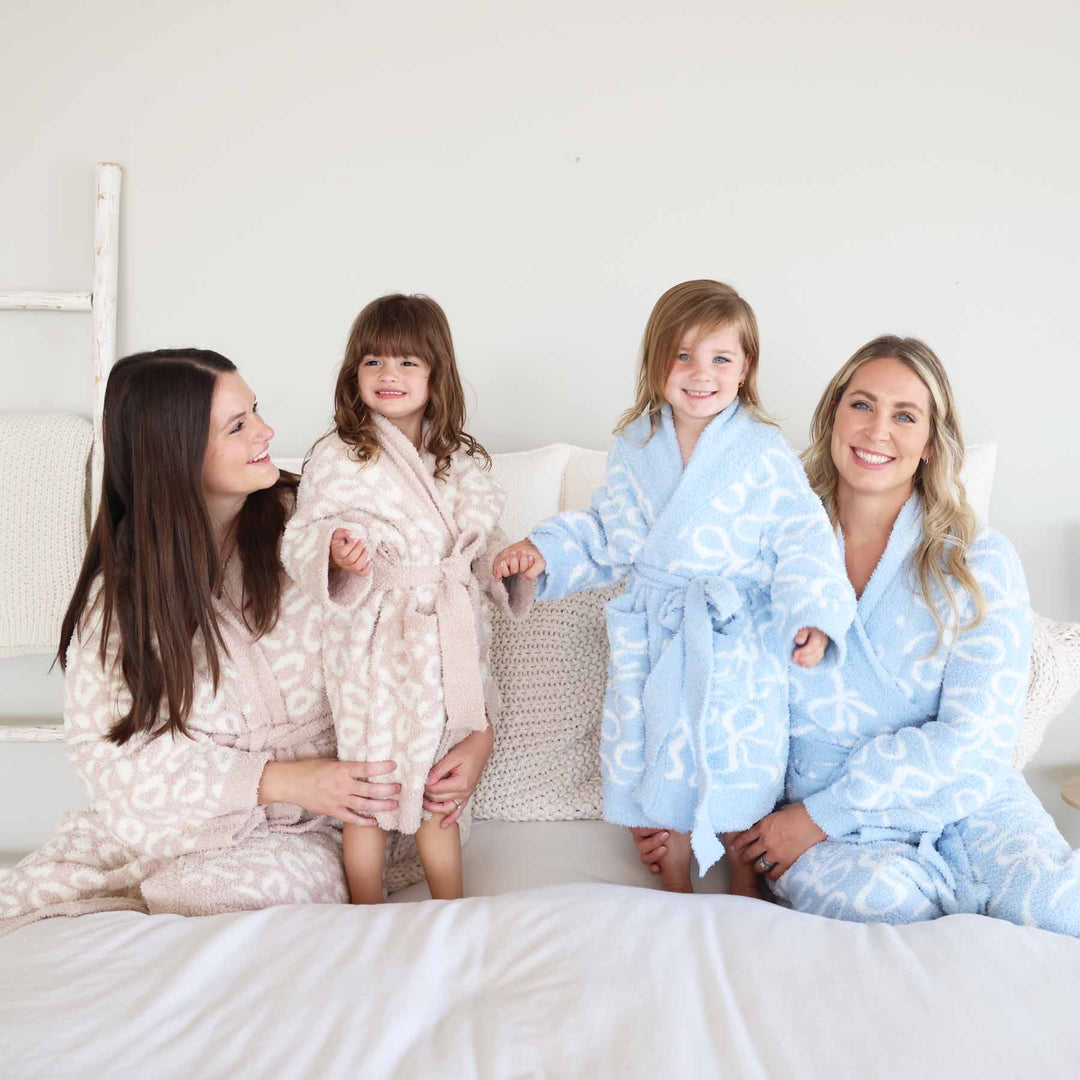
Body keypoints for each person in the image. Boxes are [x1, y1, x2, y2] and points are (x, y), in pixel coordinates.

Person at [0, 348, 493, 937]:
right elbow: (112, 758)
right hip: (200, 822)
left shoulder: (322, 530)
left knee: (210, 897)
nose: (267, 432)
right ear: (174, 453)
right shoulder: (124, 597)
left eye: (254, 410)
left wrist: (476, 738)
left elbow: (440, 630)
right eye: (238, 426)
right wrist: (285, 779)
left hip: (345, 819)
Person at [493, 280, 855, 894]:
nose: (700, 373)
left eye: (720, 357)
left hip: (735, 637)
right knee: (662, 751)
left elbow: (804, 538)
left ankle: (745, 871)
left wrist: (814, 614)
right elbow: (609, 533)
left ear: (745, 369)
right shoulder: (636, 444)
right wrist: (542, 551)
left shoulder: (764, 452)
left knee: (739, 758)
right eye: (682, 355)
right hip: (658, 630)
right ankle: (675, 869)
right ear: (656, 361)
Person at [716, 335, 1080, 935]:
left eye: (904, 415)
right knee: (883, 908)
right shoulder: (767, 548)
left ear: (930, 442)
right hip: (821, 827)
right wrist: (733, 826)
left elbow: (976, 737)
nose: (877, 429)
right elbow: (731, 698)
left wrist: (824, 814)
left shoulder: (979, 562)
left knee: (1061, 910)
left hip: (965, 803)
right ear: (834, 414)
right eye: (861, 405)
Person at [281, 295, 530, 904]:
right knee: (370, 792)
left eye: (407, 363)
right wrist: (336, 555)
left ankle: (450, 911)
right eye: (373, 363)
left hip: (444, 645)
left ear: (436, 375)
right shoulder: (337, 458)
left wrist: (506, 564)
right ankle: (365, 915)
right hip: (372, 644)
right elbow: (303, 536)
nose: (388, 376)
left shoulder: (460, 465)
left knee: (438, 792)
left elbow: (478, 546)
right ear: (354, 375)